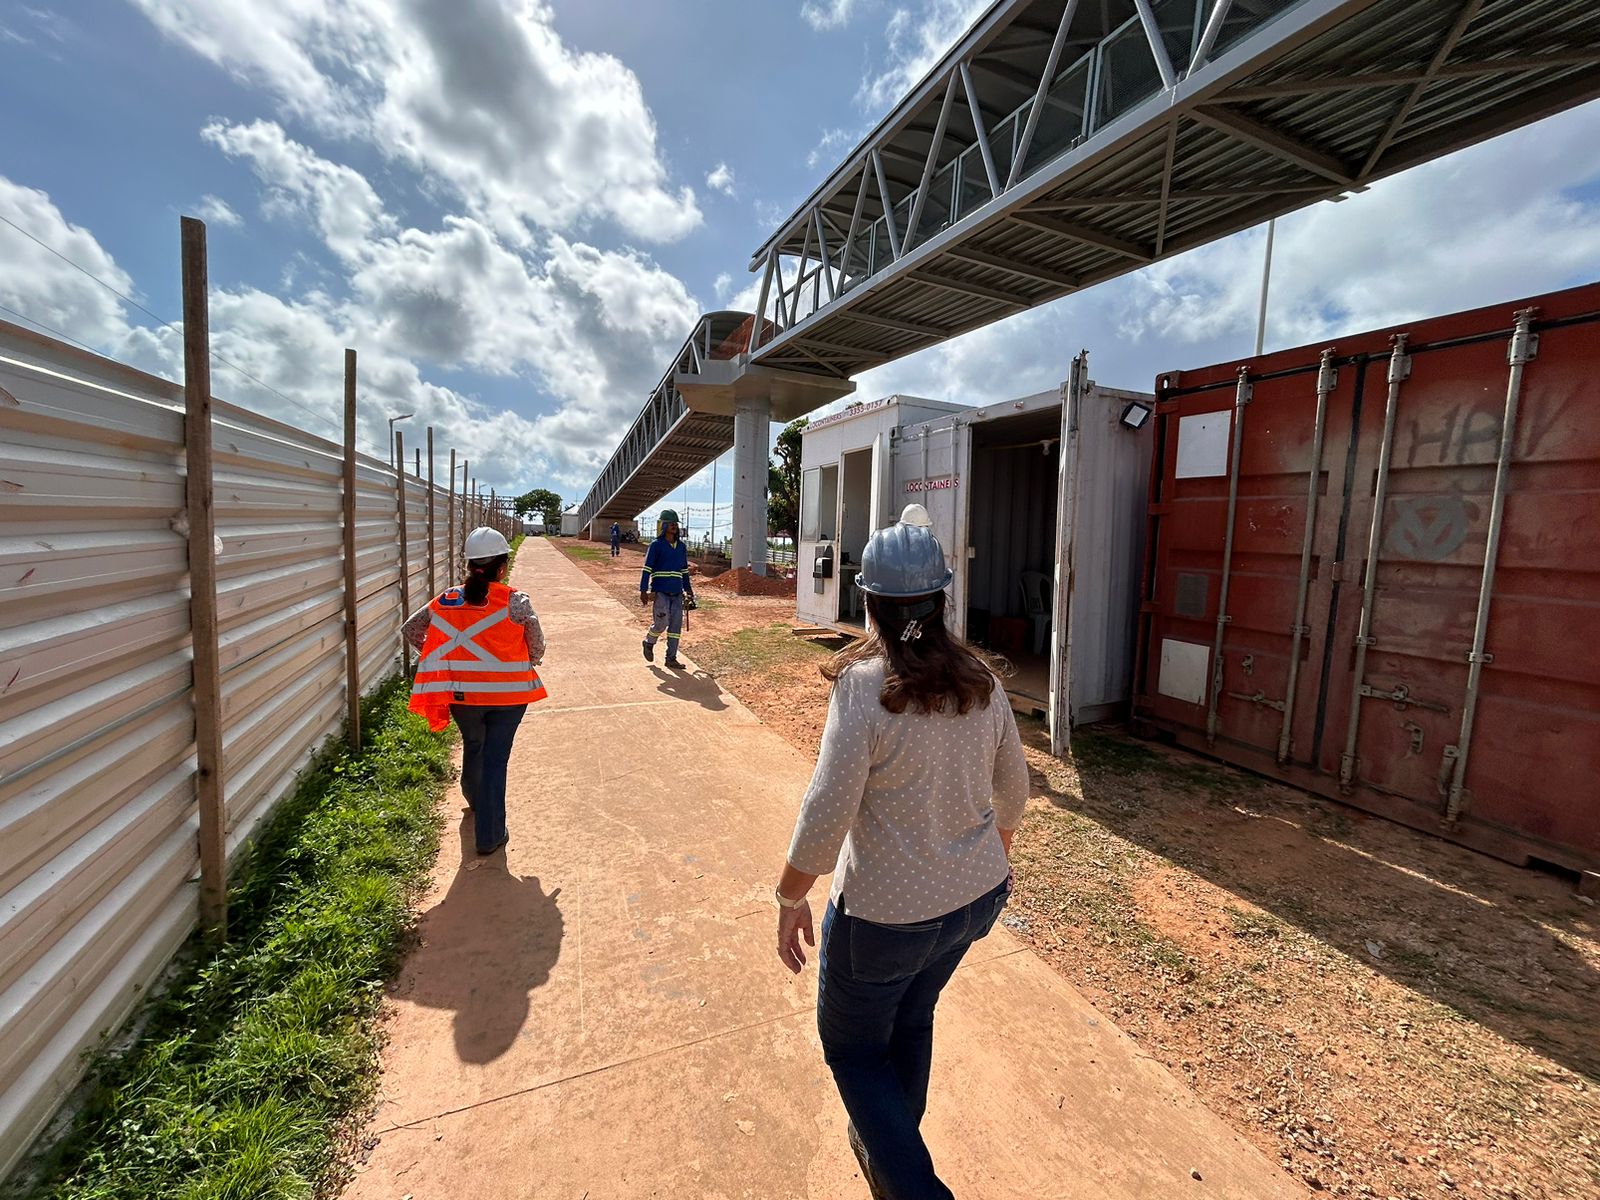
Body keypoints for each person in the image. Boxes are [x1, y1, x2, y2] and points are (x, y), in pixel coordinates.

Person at [774, 506, 1028, 1200]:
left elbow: (828, 809)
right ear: (941, 598)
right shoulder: (984, 680)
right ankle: (892, 1154)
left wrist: (790, 895)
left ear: (869, 600)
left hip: (883, 921)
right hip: (974, 903)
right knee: (913, 1019)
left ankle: (911, 1183)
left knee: (853, 1052)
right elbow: (1015, 789)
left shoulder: (864, 688)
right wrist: (990, 858)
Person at [405, 526, 548, 855]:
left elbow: (412, 629)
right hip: (509, 697)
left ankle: (474, 800)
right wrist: (532, 659)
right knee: (497, 760)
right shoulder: (515, 600)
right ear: (502, 568)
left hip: (461, 696)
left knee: (474, 745)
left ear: (469, 566)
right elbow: (536, 643)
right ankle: (490, 833)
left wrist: (438, 656)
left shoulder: (447, 599)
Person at [640, 509, 696, 671]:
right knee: (661, 623)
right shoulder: (656, 545)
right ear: (663, 526)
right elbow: (647, 569)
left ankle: (671, 658)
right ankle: (649, 642)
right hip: (661, 592)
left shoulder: (681, 547)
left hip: (677, 593)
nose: (674, 526)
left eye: (675, 524)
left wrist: (689, 590)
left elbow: (684, 571)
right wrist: (643, 590)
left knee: (675, 628)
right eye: (670, 523)